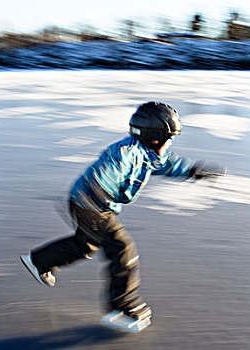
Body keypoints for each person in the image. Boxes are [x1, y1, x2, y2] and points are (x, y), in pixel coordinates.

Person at [20, 102, 226, 332]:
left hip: (89, 203)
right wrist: (100, 191)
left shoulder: (149, 153)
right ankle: (122, 309)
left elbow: (167, 165)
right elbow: (108, 172)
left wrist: (192, 171)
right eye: (167, 138)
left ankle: (40, 261)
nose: (169, 144)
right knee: (122, 251)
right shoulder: (125, 152)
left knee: (84, 246)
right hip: (91, 204)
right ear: (153, 136)